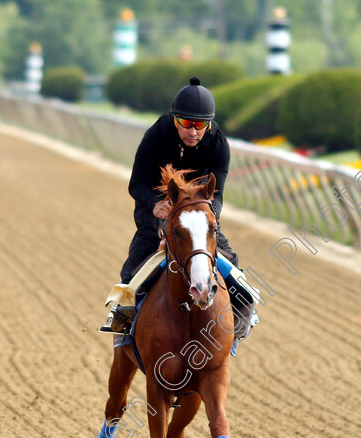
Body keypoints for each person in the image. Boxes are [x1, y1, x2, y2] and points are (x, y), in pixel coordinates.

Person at [100, 76, 249, 335]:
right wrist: (154, 204)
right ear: (175, 119)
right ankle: (122, 320)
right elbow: (136, 184)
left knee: (228, 257)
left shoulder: (218, 144)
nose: (192, 132)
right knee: (140, 254)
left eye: (200, 125)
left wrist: (209, 216)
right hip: (159, 205)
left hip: (198, 210)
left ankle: (244, 309)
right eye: (186, 124)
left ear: (209, 125)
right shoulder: (157, 135)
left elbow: (218, 195)